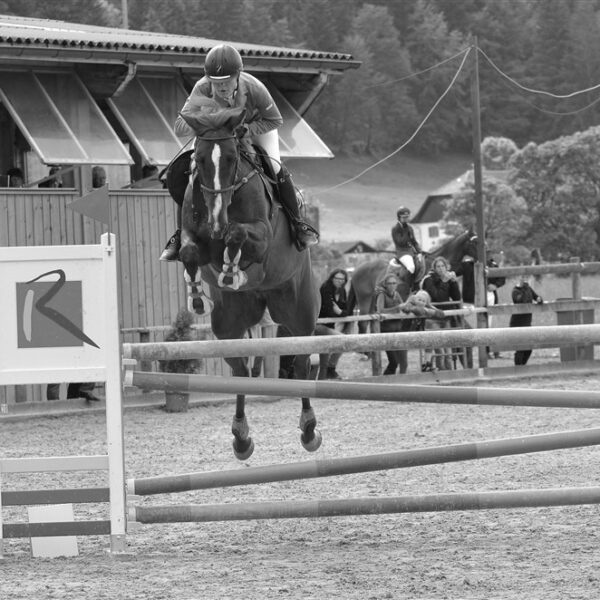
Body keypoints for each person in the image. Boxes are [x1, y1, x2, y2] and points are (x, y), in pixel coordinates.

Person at [160, 44, 319, 261]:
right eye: (216, 82)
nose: (221, 87)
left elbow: (275, 120)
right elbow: (180, 126)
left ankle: (298, 224)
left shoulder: (255, 88)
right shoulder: (202, 88)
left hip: (254, 128)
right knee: (191, 167)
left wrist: (246, 129)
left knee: (275, 166)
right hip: (216, 135)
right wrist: (206, 123)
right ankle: (181, 234)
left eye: (227, 81)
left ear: (238, 75)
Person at [375, 285, 445, 375]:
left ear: (426, 303)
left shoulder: (426, 308)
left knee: (429, 341)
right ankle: (401, 379)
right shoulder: (409, 305)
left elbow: (441, 314)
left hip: (416, 335)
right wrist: (426, 310)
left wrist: (430, 309)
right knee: (403, 364)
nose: (421, 302)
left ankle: (427, 364)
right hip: (403, 336)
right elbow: (411, 310)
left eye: (423, 301)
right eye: (419, 299)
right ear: (414, 299)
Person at [421, 256, 462, 371]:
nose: (441, 269)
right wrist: (444, 282)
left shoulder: (447, 279)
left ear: (446, 267)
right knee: (440, 352)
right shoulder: (429, 280)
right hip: (432, 318)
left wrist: (453, 282)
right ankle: (441, 375)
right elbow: (438, 297)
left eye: (443, 266)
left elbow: (456, 297)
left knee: (448, 353)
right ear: (434, 268)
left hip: (445, 317)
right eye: (438, 266)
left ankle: (449, 375)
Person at [317, 269, 350, 379]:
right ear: (332, 278)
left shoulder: (342, 291)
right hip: (319, 325)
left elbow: (347, 311)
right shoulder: (325, 288)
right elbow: (329, 312)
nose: (340, 281)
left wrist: (339, 312)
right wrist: (339, 313)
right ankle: (331, 368)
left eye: (342, 279)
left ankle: (322, 380)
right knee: (344, 340)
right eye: (337, 278)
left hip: (329, 326)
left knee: (324, 359)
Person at [509, 276, 543, 366]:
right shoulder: (515, 291)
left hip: (527, 322)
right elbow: (521, 301)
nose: (524, 280)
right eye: (522, 279)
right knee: (520, 348)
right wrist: (523, 288)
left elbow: (536, 297)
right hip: (517, 323)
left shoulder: (528, 288)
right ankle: (518, 368)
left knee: (528, 348)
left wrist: (539, 299)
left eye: (525, 278)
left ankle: (522, 366)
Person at [391, 206, 423, 289]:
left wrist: (419, 252)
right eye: (404, 218)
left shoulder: (410, 228)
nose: (406, 219)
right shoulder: (395, 229)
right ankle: (408, 288)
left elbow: (414, 242)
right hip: (402, 253)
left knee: (423, 262)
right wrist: (405, 230)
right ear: (399, 218)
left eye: (407, 217)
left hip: (411, 252)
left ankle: (417, 284)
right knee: (411, 267)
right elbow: (400, 242)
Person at [485, 252, 506, 358]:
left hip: (491, 297)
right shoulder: (471, 264)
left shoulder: (493, 265)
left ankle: (495, 351)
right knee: (484, 326)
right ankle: (485, 352)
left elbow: (502, 278)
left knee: (493, 325)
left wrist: (495, 285)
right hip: (476, 298)